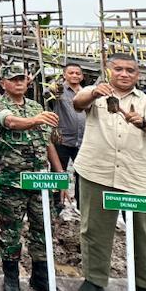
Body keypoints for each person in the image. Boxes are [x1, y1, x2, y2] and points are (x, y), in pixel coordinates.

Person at [72, 53, 146, 291]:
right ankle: (94, 279)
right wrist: (93, 94)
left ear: (138, 75)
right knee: (94, 229)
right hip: (97, 171)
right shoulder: (96, 92)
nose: (124, 74)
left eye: (131, 71)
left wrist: (143, 122)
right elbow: (77, 102)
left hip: (140, 175)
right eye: (119, 69)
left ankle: (144, 285)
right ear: (108, 70)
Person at [0, 62, 69, 291]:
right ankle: (11, 277)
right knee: (11, 232)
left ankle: (41, 277)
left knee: (43, 230)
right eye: (12, 79)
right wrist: (35, 120)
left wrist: (61, 177)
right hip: (12, 183)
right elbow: (11, 123)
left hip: (40, 182)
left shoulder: (36, 106)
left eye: (21, 79)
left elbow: (47, 144)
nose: (18, 83)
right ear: (3, 83)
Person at [53, 63, 86, 211]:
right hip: (63, 140)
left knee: (82, 173)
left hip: (82, 141)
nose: (74, 76)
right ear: (64, 75)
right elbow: (48, 94)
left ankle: (81, 205)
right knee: (58, 172)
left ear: (82, 76)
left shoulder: (86, 93)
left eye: (77, 73)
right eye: (71, 73)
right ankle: (57, 204)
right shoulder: (58, 91)